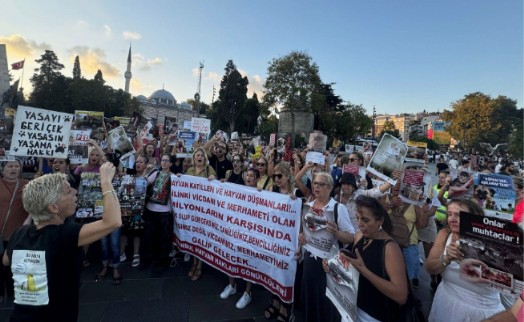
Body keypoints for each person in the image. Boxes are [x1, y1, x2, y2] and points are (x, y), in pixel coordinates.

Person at [3, 162, 121, 322]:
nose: (74, 192)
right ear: (53, 207)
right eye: (68, 191)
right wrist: (106, 181)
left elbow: (6, 260)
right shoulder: (64, 235)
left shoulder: (19, 234)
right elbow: (112, 222)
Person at [324, 195, 408, 321]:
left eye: (365, 220)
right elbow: (348, 262)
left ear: (380, 221)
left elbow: (401, 295)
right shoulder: (359, 237)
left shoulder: (390, 248)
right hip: (351, 308)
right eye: (357, 218)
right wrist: (331, 265)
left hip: (374, 316)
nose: (359, 224)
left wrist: (364, 270)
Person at [425, 198, 504, 321]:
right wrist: (446, 259)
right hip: (446, 304)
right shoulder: (445, 234)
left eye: (458, 215)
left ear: (474, 217)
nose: (452, 219)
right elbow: (430, 268)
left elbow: (508, 283)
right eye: (449, 214)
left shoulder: (494, 242)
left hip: (481, 312)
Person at [299, 172, 355, 322]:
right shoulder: (308, 206)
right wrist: (301, 236)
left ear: (330, 188)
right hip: (309, 260)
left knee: (326, 304)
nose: (316, 186)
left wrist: (336, 232)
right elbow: (303, 231)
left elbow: (351, 237)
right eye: (315, 183)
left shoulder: (338, 208)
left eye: (321, 184)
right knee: (310, 299)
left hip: (328, 264)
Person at [0, 160, 31, 304]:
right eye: (10, 166)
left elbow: (35, 205)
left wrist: (29, 220)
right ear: (3, 169)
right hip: (1, 233)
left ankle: (14, 292)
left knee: (15, 264)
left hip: (19, 231)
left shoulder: (27, 185)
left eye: (17, 166)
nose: (14, 169)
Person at [183, 148, 216, 280]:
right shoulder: (190, 170)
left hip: (204, 210)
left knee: (201, 236)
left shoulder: (209, 169)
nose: (200, 157)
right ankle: (194, 261)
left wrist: (213, 179)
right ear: (194, 157)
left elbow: (216, 186)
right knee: (194, 235)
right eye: (197, 155)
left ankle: (200, 265)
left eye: (202, 155)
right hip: (192, 209)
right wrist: (180, 178)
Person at [141, 154, 175, 270]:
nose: (164, 162)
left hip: (165, 211)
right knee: (150, 236)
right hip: (151, 209)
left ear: (171, 164)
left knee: (163, 238)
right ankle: (149, 259)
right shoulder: (156, 173)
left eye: (167, 161)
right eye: (163, 160)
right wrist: (146, 171)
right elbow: (144, 183)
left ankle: (163, 261)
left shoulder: (173, 177)